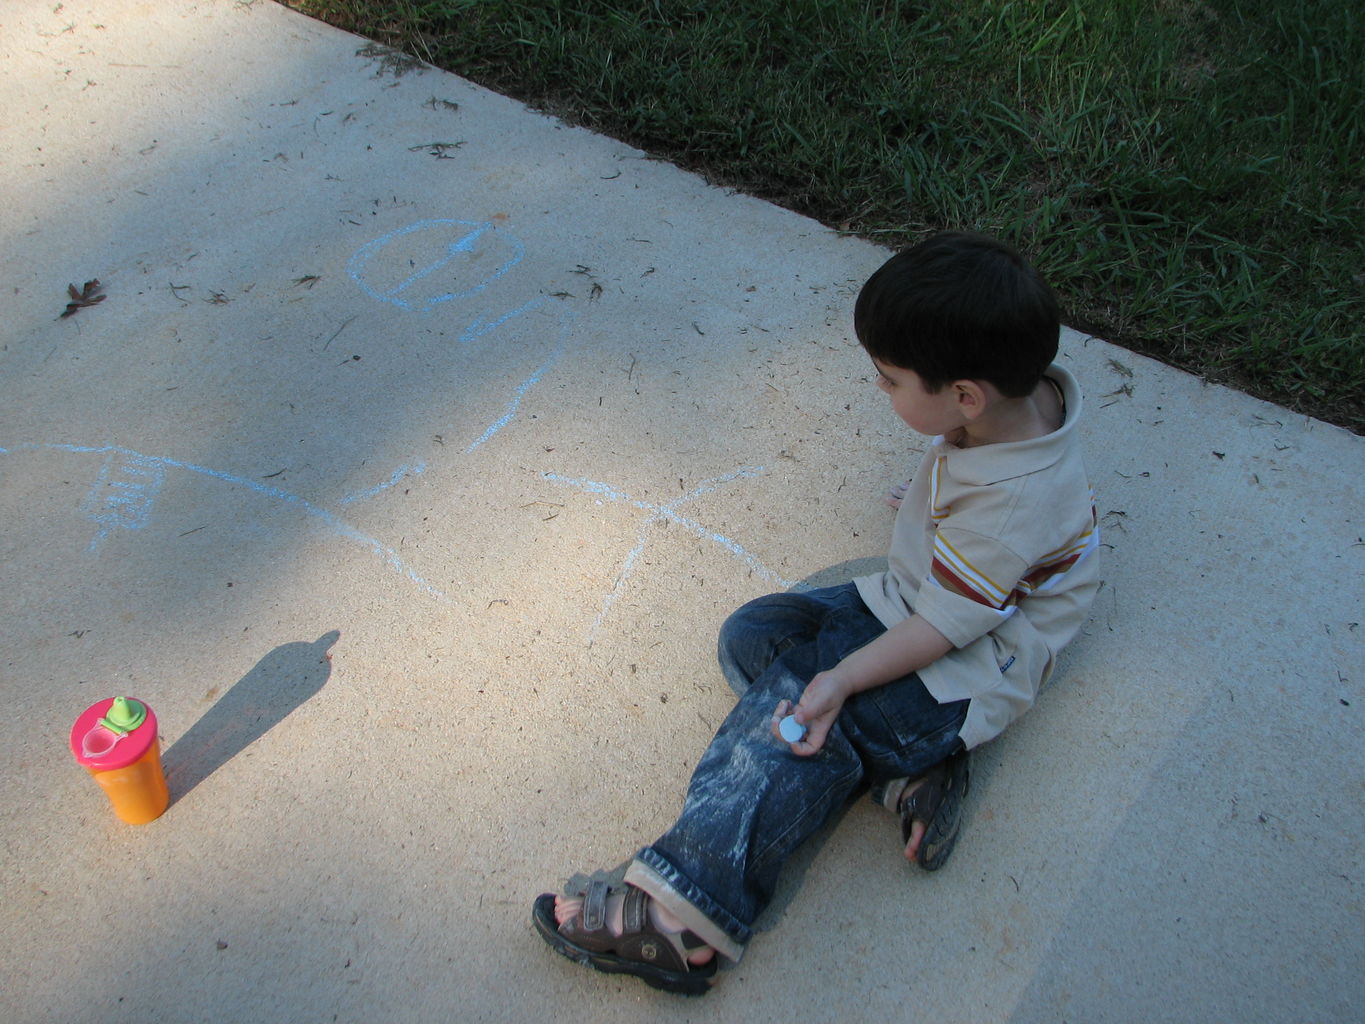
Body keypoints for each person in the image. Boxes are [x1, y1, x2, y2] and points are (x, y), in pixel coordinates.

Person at [532, 232, 1102, 995]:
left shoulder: (1011, 509)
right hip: (919, 601)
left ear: (965, 394)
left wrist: (837, 681)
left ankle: (683, 917)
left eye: (891, 379)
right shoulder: (1011, 406)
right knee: (754, 636)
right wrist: (938, 510)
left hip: (961, 664)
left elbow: (944, 626)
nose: (881, 390)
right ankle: (908, 769)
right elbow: (975, 522)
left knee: (791, 715)